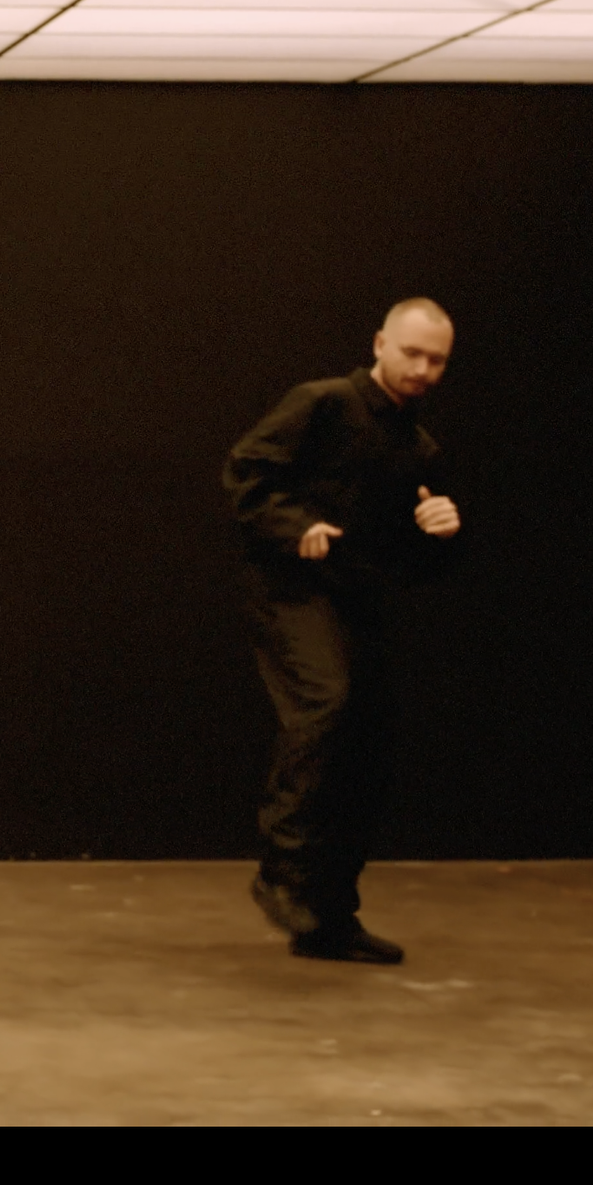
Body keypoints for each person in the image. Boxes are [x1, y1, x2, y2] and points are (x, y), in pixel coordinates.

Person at [222, 298, 462, 965]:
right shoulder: (322, 403)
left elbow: (416, 565)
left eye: (435, 359)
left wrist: (443, 533)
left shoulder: (419, 449)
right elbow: (247, 470)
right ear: (380, 342)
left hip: (354, 597)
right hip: (288, 587)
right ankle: (283, 871)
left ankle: (328, 915)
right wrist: (294, 526)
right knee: (329, 700)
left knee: (370, 741)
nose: (421, 368)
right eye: (411, 352)